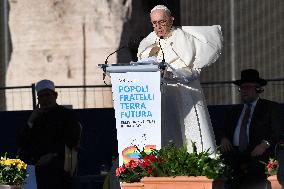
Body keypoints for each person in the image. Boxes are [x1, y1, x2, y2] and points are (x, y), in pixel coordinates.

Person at [137, 5, 221, 154]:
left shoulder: (184, 38)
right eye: (154, 23)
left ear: (171, 20)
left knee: (192, 136)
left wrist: (173, 74)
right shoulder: (148, 42)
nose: (158, 27)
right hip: (162, 97)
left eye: (162, 22)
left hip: (185, 93)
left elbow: (193, 70)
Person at [220, 69, 283, 189]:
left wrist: (265, 144)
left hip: (258, 152)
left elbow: (277, 131)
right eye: (242, 88)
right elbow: (223, 129)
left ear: (258, 89)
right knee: (224, 167)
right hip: (235, 153)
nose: (243, 91)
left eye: (247, 87)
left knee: (255, 170)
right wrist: (223, 138)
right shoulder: (234, 111)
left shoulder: (270, 108)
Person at [17, 79, 82, 189]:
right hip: (36, 167)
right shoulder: (36, 118)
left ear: (55, 95)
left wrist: (52, 155)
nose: (45, 99)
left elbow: (72, 139)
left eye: (47, 95)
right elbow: (21, 142)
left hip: (58, 166)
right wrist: (30, 121)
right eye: (41, 96)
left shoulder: (67, 115)